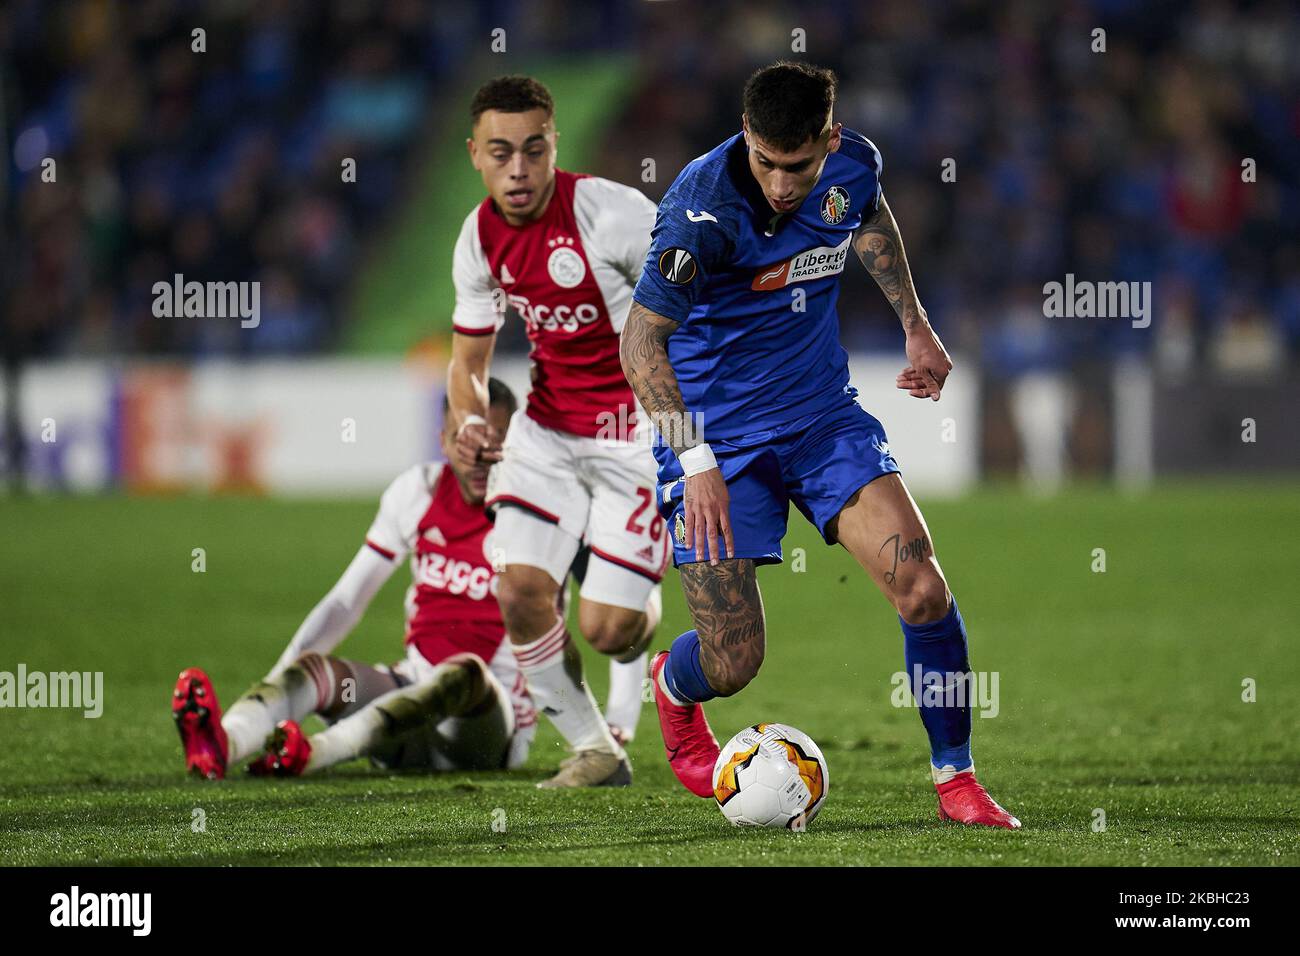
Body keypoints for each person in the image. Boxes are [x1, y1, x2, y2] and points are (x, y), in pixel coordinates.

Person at [621, 61, 1020, 828]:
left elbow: (869, 217)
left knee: (924, 589)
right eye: (765, 162)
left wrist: (913, 323)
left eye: (796, 165)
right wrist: (695, 461)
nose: (779, 183)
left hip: (820, 419)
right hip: (716, 440)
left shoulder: (854, 164)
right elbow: (640, 347)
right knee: (733, 663)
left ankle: (957, 782)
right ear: (746, 137)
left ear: (828, 141)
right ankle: (673, 690)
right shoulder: (699, 211)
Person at [447, 75, 667, 787]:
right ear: (475, 154)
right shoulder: (477, 238)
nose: (519, 169)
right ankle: (596, 749)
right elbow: (468, 361)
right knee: (517, 590)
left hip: (634, 436)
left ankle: (640, 609)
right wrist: (472, 421)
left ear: (554, 146)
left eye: (534, 150)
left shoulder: (616, 216)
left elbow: (697, 309)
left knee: (608, 630)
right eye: (501, 152)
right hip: (545, 431)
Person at [172, 379, 537, 779]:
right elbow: (346, 601)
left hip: (487, 732)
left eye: (494, 442)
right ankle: (225, 743)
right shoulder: (418, 491)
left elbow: (603, 601)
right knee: (314, 671)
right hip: (402, 712)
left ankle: (313, 754)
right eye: (464, 441)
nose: (478, 457)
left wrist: (616, 718)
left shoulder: (535, 511)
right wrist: (282, 682)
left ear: (515, 441)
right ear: (444, 441)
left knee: (465, 672)